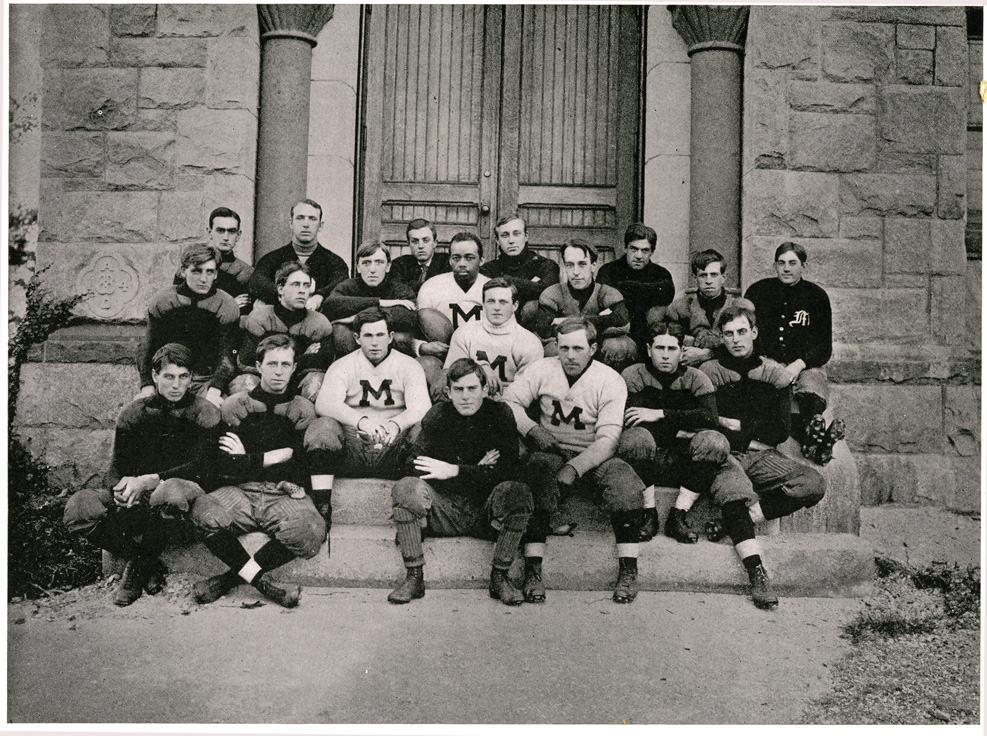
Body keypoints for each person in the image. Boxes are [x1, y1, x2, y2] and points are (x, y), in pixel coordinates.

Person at [63, 344, 220, 606]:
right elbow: (117, 465)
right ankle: (145, 560)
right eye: (169, 376)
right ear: (155, 376)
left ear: (192, 378)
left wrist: (149, 480)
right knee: (79, 508)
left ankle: (135, 573)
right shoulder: (135, 412)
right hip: (139, 496)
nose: (176, 385)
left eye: (183, 377)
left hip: (179, 501)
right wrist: (119, 489)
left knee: (168, 493)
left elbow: (203, 466)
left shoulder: (205, 412)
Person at [503, 318, 646, 604]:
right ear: (555, 346)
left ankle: (629, 569)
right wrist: (531, 429)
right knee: (537, 472)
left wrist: (575, 467)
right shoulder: (542, 368)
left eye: (578, 348)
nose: (570, 355)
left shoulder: (609, 380)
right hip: (551, 450)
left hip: (593, 455)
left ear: (593, 348)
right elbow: (509, 401)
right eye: (564, 347)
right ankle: (533, 570)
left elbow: (609, 438)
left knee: (624, 483)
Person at [696, 306, 826, 610]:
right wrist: (749, 431)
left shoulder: (774, 375)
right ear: (721, 338)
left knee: (813, 483)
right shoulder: (709, 372)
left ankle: (737, 523)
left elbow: (780, 431)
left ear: (754, 332)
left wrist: (737, 425)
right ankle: (757, 572)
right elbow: (710, 423)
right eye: (729, 334)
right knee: (736, 491)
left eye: (742, 332)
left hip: (763, 454)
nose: (736, 340)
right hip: (725, 454)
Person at [189, 334, 327, 608]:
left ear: (294, 367)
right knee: (203, 512)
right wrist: (268, 458)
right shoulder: (236, 406)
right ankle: (262, 583)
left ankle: (229, 579)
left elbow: (300, 465)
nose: (279, 371)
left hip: (283, 492)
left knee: (311, 529)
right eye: (272, 363)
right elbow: (223, 465)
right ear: (258, 366)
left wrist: (246, 457)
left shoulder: (303, 410)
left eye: (285, 364)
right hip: (241, 490)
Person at [388, 358, 538, 606]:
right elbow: (409, 463)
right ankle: (414, 576)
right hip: (444, 509)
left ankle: (500, 576)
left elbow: (510, 471)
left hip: (486, 512)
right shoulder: (439, 414)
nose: (465, 396)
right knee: (406, 488)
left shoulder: (499, 414)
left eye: (472, 389)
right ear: (448, 392)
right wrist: (476, 469)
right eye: (458, 389)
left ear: (485, 389)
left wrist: (455, 470)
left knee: (517, 492)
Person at [618, 323, 725, 543]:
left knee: (714, 442)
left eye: (672, 349)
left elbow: (710, 420)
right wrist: (684, 430)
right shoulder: (634, 375)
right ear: (649, 350)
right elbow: (631, 420)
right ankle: (649, 513)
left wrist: (660, 414)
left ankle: (678, 515)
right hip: (645, 462)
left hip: (686, 463)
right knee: (637, 437)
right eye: (660, 348)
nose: (665, 355)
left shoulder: (696, 378)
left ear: (681, 351)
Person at [744, 242, 844, 465]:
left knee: (811, 387)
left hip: (804, 365)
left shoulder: (816, 296)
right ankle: (816, 443)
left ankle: (813, 430)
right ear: (774, 266)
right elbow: (747, 331)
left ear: (803, 266)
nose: (786, 269)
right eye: (781, 263)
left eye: (792, 263)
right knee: (773, 394)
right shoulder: (758, 291)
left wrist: (799, 364)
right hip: (766, 362)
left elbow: (823, 347)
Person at [312, 308, 431, 486]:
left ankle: (412, 493)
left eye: (380, 335)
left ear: (390, 337)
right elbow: (325, 403)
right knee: (323, 426)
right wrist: (362, 421)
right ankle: (322, 502)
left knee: (423, 429)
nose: (375, 342)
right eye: (368, 336)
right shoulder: (343, 365)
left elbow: (422, 407)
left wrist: (396, 424)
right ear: (357, 338)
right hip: (355, 445)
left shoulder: (408, 365)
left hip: (393, 447)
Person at [137, 243, 240, 407]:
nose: (203, 279)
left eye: (210, 272)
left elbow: (227, 354)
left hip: (206, 379)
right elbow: (148, 346)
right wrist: (147, 384)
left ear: (216, 274)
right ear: (183, 271)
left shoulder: (226, 306)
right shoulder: (163, 301)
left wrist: (215, 389)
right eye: (196, 271)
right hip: (170, 376)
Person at [229, 261, 334, 402]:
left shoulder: (319, 323)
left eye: (306, 285)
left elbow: (321, 365)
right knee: (243, 383)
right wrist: (302, 356)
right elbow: (246, 361)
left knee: (316, 383)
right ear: (280, 289)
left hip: (298, 385)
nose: (302, 291)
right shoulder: (260, 317)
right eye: (295, 284)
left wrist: (270, 355)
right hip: (262, 381)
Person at [534, 239, 637, 373]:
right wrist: (600, 321)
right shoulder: (553, 293)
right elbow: (544, 329)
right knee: (552, 349)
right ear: (564, 266)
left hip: (598, 346)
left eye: (582, 264)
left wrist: (570, 322)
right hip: (567, 346)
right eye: (570, 265)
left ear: (593, 266)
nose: (576, 272)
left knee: (620, 345)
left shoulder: (606, 292)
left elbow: (623, 322)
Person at [443, 278, 544, 399]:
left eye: (503, 302)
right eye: (491, 301)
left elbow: (527, 391)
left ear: (515, 305)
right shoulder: (465, 332)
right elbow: (452, 377)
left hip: (510, 403)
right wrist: (481, 368)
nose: (496, 307)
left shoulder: (529, 342)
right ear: (483, 304)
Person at [416, 232, 490, 395]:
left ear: (482, 260)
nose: (462, 263)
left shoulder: (491, 288)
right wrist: (423, 347)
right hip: (444, 355)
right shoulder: (432, 287)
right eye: (456, 258)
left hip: (482, 355)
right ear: (449, 260)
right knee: (424, 365)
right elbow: (417, 328)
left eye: (469, 257)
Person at [247, 199, 349, 312]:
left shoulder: (335, 262)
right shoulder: (271, 259)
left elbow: (341, 285)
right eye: (300, 218)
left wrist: (319, 296)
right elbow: (257, 283)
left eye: (312, 219)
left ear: (320, 225)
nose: (306, 224)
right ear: (291, 223)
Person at [321, 240, 418, 356]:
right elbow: (330, 304)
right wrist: (380, 302)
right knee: (341, 331)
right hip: (354, 348)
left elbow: (409, 316)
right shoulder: (349, 285)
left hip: (389, 354)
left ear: (388, 267)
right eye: (366, 263)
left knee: (400, 337)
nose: (372, 269)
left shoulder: (401, 289)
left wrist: (356, 317)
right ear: (358, 267)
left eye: (379, 262)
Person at [663, 249, 754, 368]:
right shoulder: (680, 307)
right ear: (695, 278)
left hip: (729, 369)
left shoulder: (739, 307)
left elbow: (750, 347)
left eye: (714, 275)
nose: (708, 281)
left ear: (723, 277)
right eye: (703, 275)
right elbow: (668, 341)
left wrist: (708, 354)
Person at [598, 223, 675, 352]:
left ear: (652, 252)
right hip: (618, 333)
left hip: (649, 335)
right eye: (634, 249)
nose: (639, 256)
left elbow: (668, 293)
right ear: (624, 248)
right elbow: (604, 302)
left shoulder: (661, 273)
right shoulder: (608, 270)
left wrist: (625, 288)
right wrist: (648, 293)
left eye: (645, 250)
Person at [480, 214, 559, 329]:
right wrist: (531, 286)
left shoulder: (546, 265)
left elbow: (545, 291)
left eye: (516, 234)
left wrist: (506, 280)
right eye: (504, 235)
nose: (511, 241)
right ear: (497, 240)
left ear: (526, 236)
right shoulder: (488, 269)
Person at [390, 218, 450, 294]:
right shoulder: (399, 264)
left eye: (425, 240)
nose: (420, 246)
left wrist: (411, 284)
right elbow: (396, 290)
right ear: (408, 244)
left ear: (435, 243)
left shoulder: (446, 262)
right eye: (415, 241)